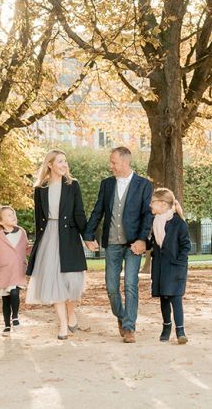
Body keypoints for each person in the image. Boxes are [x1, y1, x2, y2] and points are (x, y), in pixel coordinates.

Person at [84, 146, 153, 343]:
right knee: (112, 287)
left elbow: (147, 215)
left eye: (113, 162)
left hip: (134, 245)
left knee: (131, 284)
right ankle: (122, 317)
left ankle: (129, 327)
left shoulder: (143, 185)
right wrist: (88, 235)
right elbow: (98, 211)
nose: (111, 166)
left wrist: (142, 240)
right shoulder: (106, 184)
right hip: (112, 243)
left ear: (125, 162)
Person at [26, 149, 88, 340]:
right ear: (50, 164)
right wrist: (37, 245)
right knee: (54, 282)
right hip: (49, 238)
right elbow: (39, 220)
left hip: (69, 237)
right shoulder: (40, 189)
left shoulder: (73, 185)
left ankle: (71, 313)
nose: (64, 165)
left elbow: (79, 213)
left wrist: (88, 236)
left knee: (71, 282)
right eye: (60, 161)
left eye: (65, 161)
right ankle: (62, 325)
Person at [148, 187, 191, 344]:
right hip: (160, 267)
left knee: (176, 299)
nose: (150, 205)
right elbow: (154, 245)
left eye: (153, 202)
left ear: (163, 204)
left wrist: (179, 263)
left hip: (175, 268)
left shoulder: (179, 224)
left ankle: (180, 331)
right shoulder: (155, 222)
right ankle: (166, 327)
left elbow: (186, 246)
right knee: (164, 299)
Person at [0, 205, 30, 335]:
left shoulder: (21, 231)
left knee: (15, 292)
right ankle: (6, 325)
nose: (13, 217)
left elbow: (26, 248)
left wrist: (36, 249)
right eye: (9, 215)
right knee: (6, 300)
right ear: (0, 221)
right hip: (4, 271)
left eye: (13, 214)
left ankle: (15, 317)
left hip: (18, 269)